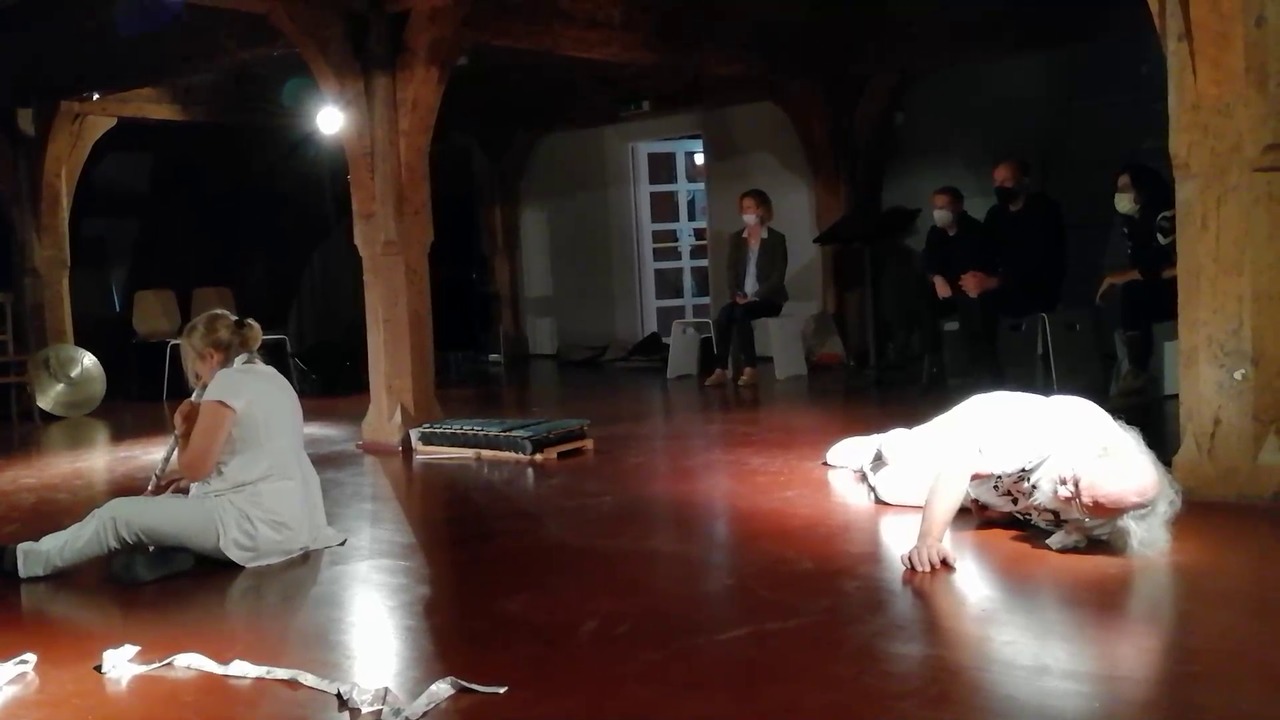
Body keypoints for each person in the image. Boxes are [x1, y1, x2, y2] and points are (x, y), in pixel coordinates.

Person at [2, 310, 345, 583]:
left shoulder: (227, 382)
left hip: (253, 527)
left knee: (116, 516)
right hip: (296, 522)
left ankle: (24, 560)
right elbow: (252, 457)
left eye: (196, 369)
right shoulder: (273, 377)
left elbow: (196, 469)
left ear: (210, 356)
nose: (198, 380)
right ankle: (181, 552)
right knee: (171, 501)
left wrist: (184, 432)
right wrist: (192, 482)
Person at [824, 391, 1181, 572]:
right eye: (1072, 482)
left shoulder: (1113, 520)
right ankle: (880, 444)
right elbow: (958, 466)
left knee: (893, 491)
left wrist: (1008, 516)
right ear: (1093, 456)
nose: (1063, 491)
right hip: (974, 435)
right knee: (900, 455)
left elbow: (1063, 522)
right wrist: (928, 540)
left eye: (1079, 503)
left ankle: (883, 464)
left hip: (994, 489)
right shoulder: (1051, 430)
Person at [1097, 163, 1177, 397]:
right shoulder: (1131, 225)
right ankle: (1132, 370)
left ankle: (1138, 370)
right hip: (1152, 292)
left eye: (1126, 188)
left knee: (1133, 290)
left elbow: (1173, 267)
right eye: (1118, 189)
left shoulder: (1165, 220)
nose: (1120, 195)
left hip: (1175, 292)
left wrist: (1119, 279)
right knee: (1129, 294)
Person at [961, 159, 1068, 319]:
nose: (1000, 186)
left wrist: (996, 281)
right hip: (1002, 297)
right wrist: (975, 276)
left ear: (1023, 182)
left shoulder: (1044, 211)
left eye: (1006, 181)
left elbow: (1041, 262)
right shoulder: (996, 214)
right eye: (996, 181)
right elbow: (984, 249)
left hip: (1036, 298)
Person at [706, 189, 789, 387]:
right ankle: (720, 369)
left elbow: (778, 276)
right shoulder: (737, 238)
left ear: (761, 210)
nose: (745, 212)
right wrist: (737, 293)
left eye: (749, 208)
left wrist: (756, 296)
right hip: (742, 298)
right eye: (743, 208)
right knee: (724, 315)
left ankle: (750, 368)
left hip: (769, 299)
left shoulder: (776, 239)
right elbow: (731, 271)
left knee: (741, 313)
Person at [920, 186, 1001, 385]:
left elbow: (979, 267)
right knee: (923, 305)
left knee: (974, 314)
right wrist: (937, 278)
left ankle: (980, 372)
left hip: (971, 290)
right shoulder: (935, 233)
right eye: (936, 207)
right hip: (945, 291)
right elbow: (929, 261)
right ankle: (935, 366)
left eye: (944, 207)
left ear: (958, 206)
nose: (939, 212)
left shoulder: (975, 231)